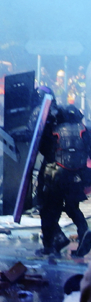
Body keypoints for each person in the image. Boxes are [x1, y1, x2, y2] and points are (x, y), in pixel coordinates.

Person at [35, 102, 91, 257]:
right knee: (73, 207)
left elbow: (43, 150)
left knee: (48, 210)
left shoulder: (53, 131)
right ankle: (84, 231)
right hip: (76, 177)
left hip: (56, 177)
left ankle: (50, 245)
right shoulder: (85, 131)